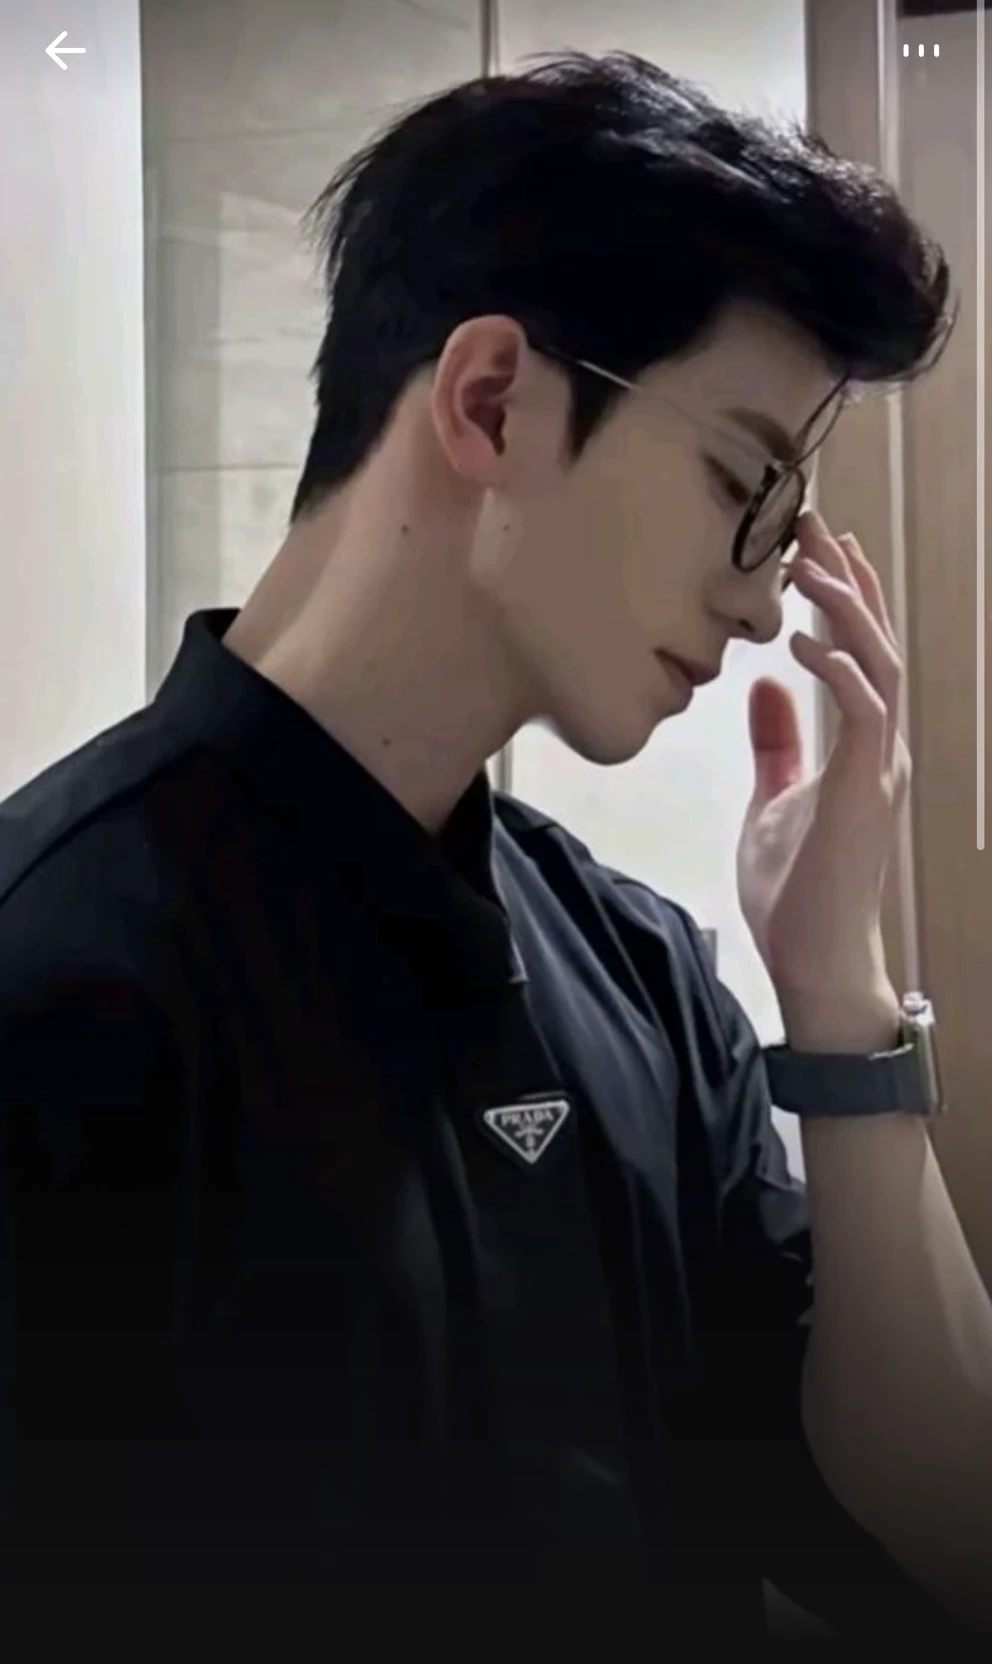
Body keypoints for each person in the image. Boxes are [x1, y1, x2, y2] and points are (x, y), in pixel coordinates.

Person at [1, 51, 989, 1648]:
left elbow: (948, 1532)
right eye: (744, 484)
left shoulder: (643, 974)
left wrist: (840, 996)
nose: (762, 600)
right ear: (490, 402)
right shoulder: (55, 976)